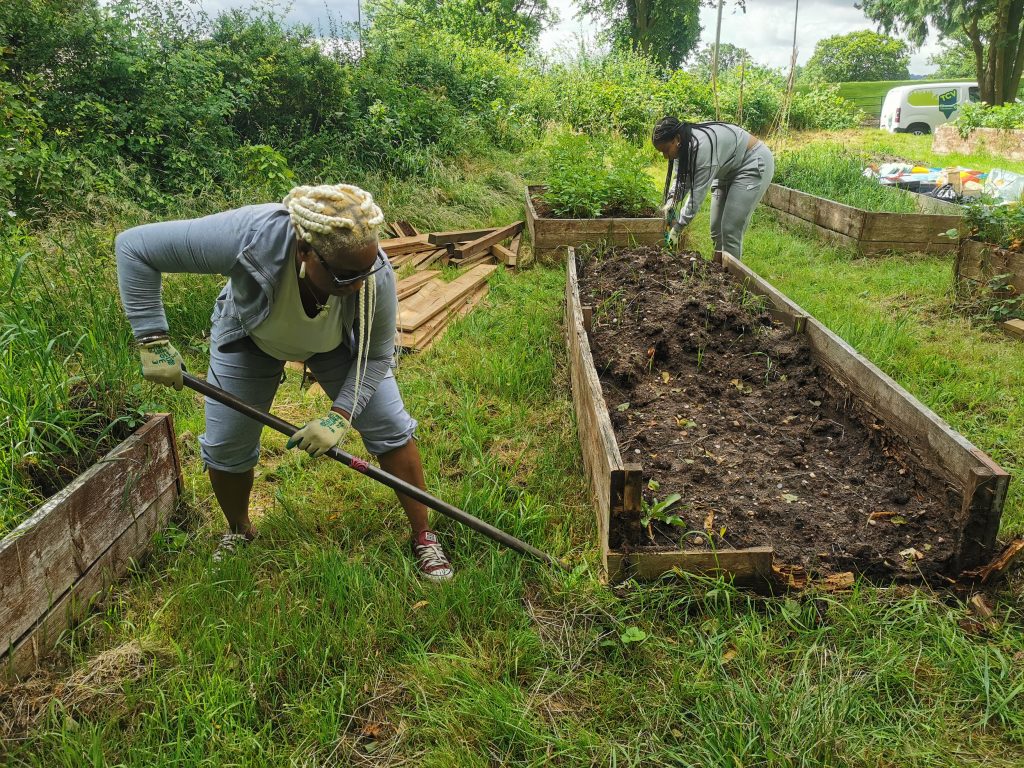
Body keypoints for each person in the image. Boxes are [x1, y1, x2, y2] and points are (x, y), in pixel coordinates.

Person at [115, 183, 454, 581]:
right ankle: (239, 530)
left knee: (391, 428)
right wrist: (152, 338)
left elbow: (376, 356)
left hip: (336, 343)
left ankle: (424, 534)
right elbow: (135, 247)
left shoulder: (373, 271)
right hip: (251, 334)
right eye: (347, 276)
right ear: (305, 250)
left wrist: (340, 415)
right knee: (226, 446)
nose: (360, 284)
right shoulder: (251, 235)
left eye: (366, 272)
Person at [652, 116, 775, 260]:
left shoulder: (702, 147)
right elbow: (681, 181)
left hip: (751, 163)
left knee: (730, 230)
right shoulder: (682, 147)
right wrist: (670, 202)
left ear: (677, 139)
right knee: (716, 230)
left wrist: (678, 227)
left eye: (666, 150)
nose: (665, 156)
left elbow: (696, 195)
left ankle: (730, 279)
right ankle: (718, 272)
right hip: (726, 168)